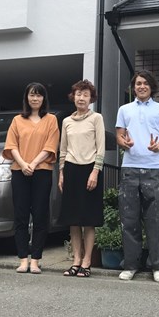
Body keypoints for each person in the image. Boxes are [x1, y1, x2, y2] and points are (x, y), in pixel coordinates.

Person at [115, 70, 159, 283]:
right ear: (133, 87)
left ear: (151, 87)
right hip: (129, 168)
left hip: (154, 169)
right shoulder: (124, 109)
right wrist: (124, 143)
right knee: (129, 218)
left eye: (145, 83)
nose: (141, 86)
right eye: (138, 83)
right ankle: (131, 265)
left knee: (157, 219)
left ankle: (158, 266)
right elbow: (119, 134)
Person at [3, 82, 60, 274]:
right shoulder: (17, 120)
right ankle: (22, 259)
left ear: (44, 98)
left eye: (39, 95)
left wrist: (33, 164)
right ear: (26, 98)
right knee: (20, 215)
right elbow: (11, 145)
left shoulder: (51, 120)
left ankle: (35, 260)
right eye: (32, 95)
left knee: (40, 215)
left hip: (42, 171)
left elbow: (51, 146)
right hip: (19, 172)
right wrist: (23, 163)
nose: (35, 98)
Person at [58, 80, 105, 278]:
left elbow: (101, 147)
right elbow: (63, 149)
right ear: (73, 97)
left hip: (90, 170)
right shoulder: (66, 121)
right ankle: (76, 260)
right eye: (78, 94)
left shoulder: (96, 118)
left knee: (88, 219)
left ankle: (87, 261)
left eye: (85, 94)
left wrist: (96, 171)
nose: (81, 98)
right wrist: (61, 172)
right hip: (71, 169)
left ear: (91, 98)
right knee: (73, 219)